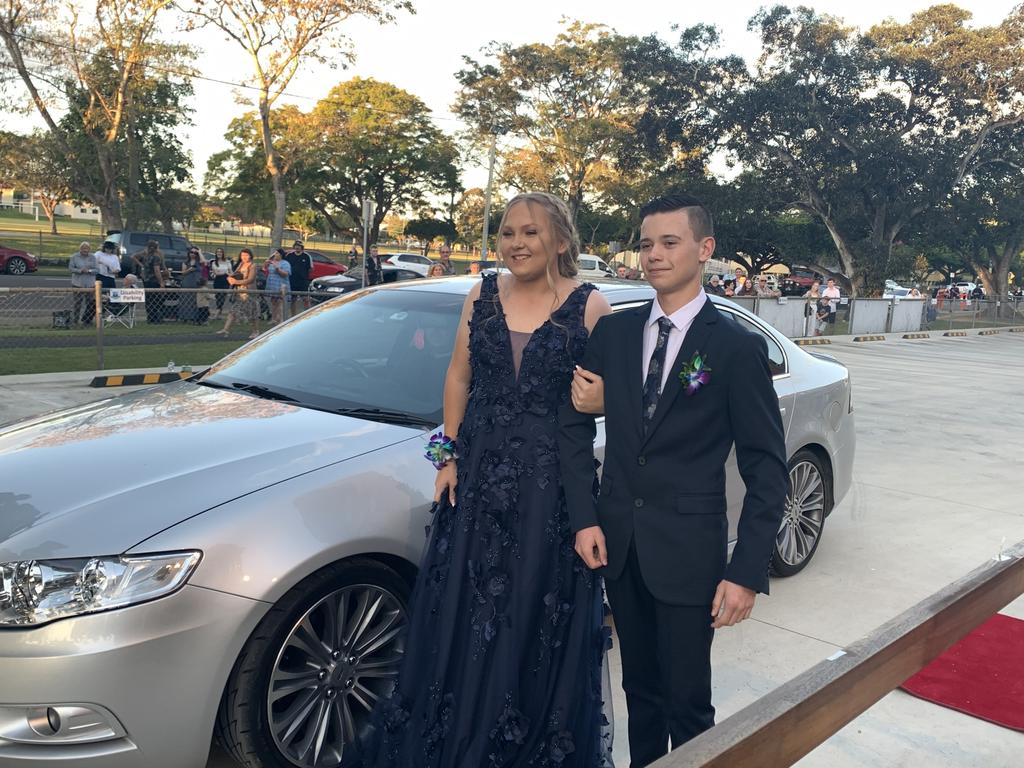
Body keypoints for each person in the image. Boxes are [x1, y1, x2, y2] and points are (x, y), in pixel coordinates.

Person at [361, 192, 614, 768]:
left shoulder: (591, 306)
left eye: (530, 232)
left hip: (550, 491)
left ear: (561, 241)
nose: (516, 244)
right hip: (476, 482)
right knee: (464, 612)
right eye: (507, 233)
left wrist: (602, 401)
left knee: (530, 613)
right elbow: (458, 375)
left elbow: (611, 395)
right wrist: (446, 456)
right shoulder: (481, 294)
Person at [559, 192, 788, 766]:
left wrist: (747, 571)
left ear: (704, 249)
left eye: (669, 242)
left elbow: (765, 466)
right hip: (618, 543)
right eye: (645, 244)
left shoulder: (734, 347)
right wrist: (585, 517)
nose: (653, 255)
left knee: (688, 702)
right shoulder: (615, 333)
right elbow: (572, 427)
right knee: (640, 693)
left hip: (689, 552)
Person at [216, 248, 259, 338]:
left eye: (246, 255)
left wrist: (236, 282)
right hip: (239, 292)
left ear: (250, 256)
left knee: (251, 313)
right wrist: (230, 278)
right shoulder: (241, 264)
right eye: (242, 255)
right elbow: (234, 274)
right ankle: (225, 330)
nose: (244, 257)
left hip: (248, 292)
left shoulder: (253, 265)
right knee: (233, 311)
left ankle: (255, 331)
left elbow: (250, 279)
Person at [132, 240, 168, 324]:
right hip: (154, 280)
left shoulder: (146, 256)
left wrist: (141, 266)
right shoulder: (156, 257)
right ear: (156, 248)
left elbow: (134, 257)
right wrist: (161, 282)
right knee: (156, 300)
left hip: (146, 280)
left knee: (149, 300)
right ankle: (156, 319)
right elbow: (157, 270)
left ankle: (150, 318)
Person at [69, 242, 96, 325]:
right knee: (77, 303)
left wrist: (90, 271)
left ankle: (87, 321)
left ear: (89, 249)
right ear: (80, 249)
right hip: (78, 284)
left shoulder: (93, 257)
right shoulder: (74, 257)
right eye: (83, 248)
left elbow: (97, 270)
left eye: (87, 248)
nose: (85, 250)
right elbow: (71, 268)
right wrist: (80, 270)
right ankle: (75, 321)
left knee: (90, 304)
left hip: (90, 284)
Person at [264, 248, 292, 325]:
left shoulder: (285, 263)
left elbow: (286, 274)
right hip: (272, 284)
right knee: (273, 302)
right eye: (275, 253)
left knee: (280, 302)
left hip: (281, 285)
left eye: (277, 253)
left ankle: (281, 319)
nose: (275, 255)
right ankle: (274, 318)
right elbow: (265, 269)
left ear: (281, 255)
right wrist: (267, 262)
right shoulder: (272, 262)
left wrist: (278, 269)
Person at [286, 240, 312, 316]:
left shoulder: (306, 256)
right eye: (296, 246)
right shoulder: (289, 256)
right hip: (292, 281)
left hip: (303, 282)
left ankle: (307, 315)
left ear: (302, 247)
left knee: (305, 299)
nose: (297, 247)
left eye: (299, 246)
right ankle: (293, 316)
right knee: (293, 300)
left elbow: (310, 268)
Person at [177, 248, 204, 324]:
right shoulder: (186, 262)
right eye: (191, 252)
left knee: (195, 300)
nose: (193, 254)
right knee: (186, 299)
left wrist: (200, 252)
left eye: (195, 253)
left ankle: (194, 317)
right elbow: (183, 273)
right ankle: (185, 317)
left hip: (196, 282)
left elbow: (203, 262)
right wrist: (189, 270)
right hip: (187, 281)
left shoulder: (199, 262)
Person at [209, 248, 233, 316]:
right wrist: (225, 272)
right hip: (218, 280)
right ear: (216, 253)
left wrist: (231, 275)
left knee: (223, 296)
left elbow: (230, 272)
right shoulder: (214, 263)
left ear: (223, 253)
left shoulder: (228, 262)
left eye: (220, 252)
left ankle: (218, 311)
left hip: (226, 281)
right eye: (218, 252)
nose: (219, 253)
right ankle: (219, 311)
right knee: (218, 296)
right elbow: (216, 273)